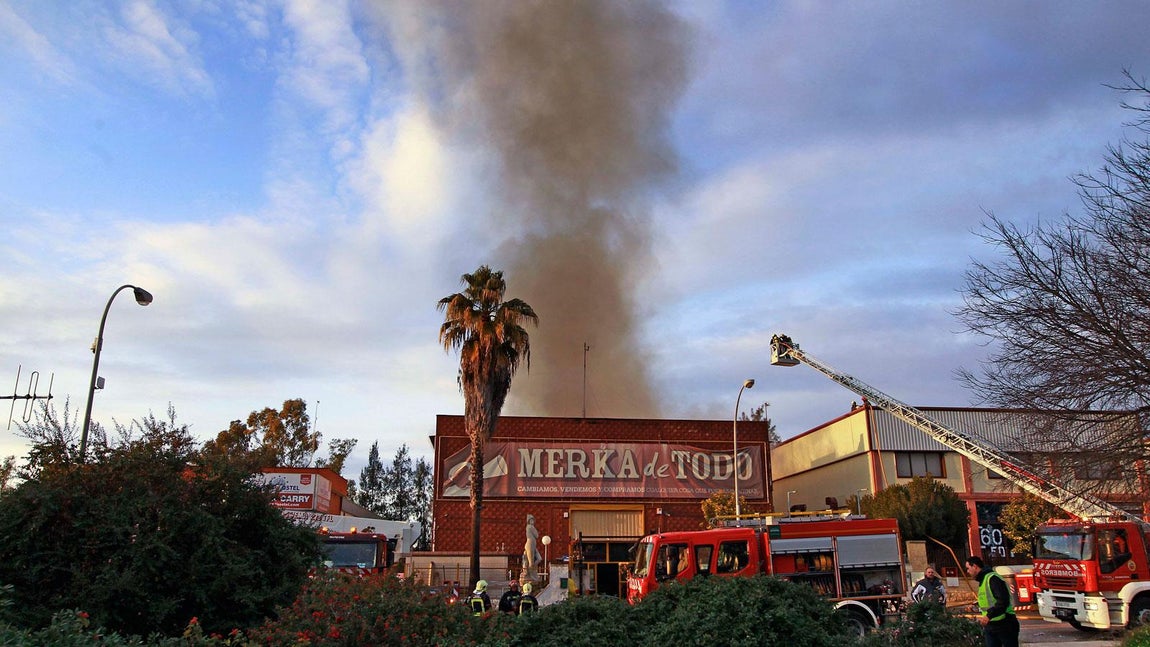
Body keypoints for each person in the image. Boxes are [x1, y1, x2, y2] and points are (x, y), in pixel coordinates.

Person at [965, 556, 1019, 647]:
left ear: (974, 566)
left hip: (1005, 623)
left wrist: (988, 616)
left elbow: (1003, 601)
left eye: (968, 568)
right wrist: (975, 605)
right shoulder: (984, 579)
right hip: (992, 625)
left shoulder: (992, 578)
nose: (967, 571)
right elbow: (988, 600)